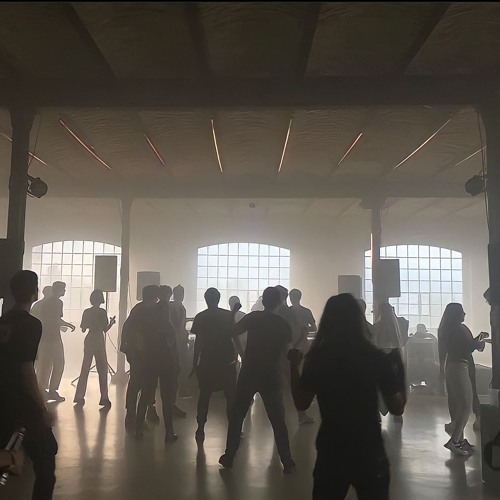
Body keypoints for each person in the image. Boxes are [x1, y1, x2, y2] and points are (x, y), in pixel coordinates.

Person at [288, 293, 406, 500]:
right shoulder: (374, 357)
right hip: (368, 448)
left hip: (332, 447)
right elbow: (397, 408)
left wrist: (293, 366)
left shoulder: (319, 357)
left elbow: (301, 402)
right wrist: (400, 375)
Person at [219, 287, 295, 473]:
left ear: (263, 301)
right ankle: (287, 460)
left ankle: (229, 456)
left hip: (250, 371)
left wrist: (233, 313)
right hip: (271, 373)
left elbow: (230, 331)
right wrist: (286, 376)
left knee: (237, 415)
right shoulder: (281, 324)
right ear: (279, 302)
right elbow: (285, 352)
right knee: (278, 419)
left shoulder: (253, 318)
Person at [0, 270, 58, 500]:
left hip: (3, 398)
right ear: (34, 292)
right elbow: (26, 369)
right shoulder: (32, 324)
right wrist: (41, 407)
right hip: (22, 402)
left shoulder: (3, 320)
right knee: (46, 456)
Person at [191, 288, 238, 444]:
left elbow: (198, 343)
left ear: (206, 299)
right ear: (218, 299)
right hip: (226, 361)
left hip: (207, 361)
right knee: (230, 396)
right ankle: (233, 427)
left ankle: (200, 427)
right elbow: (234, 337)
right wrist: (241, 355)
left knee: (204, 395)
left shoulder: (201, 317)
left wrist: (195, 363)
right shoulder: (227, 315)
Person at [438, 303, 485, 456]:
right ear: (456, 314)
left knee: (460, 404)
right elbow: (467, 347)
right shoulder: (458, 329)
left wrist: (477, 342)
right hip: (460, 367)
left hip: (453, 366)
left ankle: (459, 440)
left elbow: (463, 346)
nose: (465, 314)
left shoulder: (447, 329)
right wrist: (479, 343)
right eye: (462, 312)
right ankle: (454, 440)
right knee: (466, 406)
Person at [135, 285, 178, 443]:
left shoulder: (147, 316)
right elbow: (172, 343)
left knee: (146, 394)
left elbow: (141, 337)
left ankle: (138, 429)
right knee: (166, 397)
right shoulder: (167, 325)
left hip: (150, 359)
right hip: (166, 360)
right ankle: (169, 432)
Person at [120, 285, 159, 431]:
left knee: (142, 383)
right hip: (140, 352)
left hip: (142, 352)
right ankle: (133, 414)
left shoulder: (140, 309)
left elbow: (126, 327)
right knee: (138, 383)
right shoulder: (144, 310)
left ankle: (137, 413)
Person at [276, 285, 315, 425]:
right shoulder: (286, 311)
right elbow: (296, 331)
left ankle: (283, 415)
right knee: (292, 381)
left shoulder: (281, 311)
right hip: (290, 349)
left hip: (284, 350)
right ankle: (299, 414)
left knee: (283, 383)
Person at [73, 290, 115, 407]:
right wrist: (112, 323)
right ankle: (104, 397)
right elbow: (105, 329)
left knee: (85, 367)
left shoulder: (87, 312)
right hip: (99, 339)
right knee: (102, 369)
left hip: (89, 338)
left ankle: (79, 396)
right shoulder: (102, 312)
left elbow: (83, 328)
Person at [36, 281, 75, 402]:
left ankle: (42, 390)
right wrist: (68, 325)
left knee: (45, 365)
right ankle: (52, 390)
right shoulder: (58, 303)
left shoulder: (44, 303)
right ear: (59, 290)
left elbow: (46, 319)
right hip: (54, 338)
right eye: (63, 289)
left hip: (44, 338)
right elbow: (57, 319)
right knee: (59, 364)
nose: (65, 291)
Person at [372, 302, 407, 423]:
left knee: (378, 386)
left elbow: (372, 337)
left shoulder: (378, 325)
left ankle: (378, 412)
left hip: (382, 356)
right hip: (394, 356)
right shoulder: (396, 326)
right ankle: (397, 411)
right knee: (395, 385)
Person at [170, 285, 191, 398]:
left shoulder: (182, 308)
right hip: (173, 341)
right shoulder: (171, 307)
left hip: (181, 341)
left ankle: (182, 388)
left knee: (183, 365)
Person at [228, 295, 246, 359]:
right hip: (243, 341)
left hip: (230, 342)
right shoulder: (244, 315)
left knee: (233, 360)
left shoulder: (226, 316)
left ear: (229, 304)